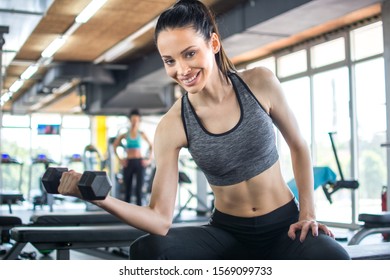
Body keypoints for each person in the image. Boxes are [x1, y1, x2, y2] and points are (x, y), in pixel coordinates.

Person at [58, 0, 350, 260]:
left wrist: (307, 214)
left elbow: (298, 145)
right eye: (169, 61)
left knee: (333, 257)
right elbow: (159, 219)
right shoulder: (173, 124)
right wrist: (100, 198)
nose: (181, 69)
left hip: (284, 226)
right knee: (149, 250)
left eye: (189, 53)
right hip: (227, 234)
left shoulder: (259, 83)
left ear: (213, 43)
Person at [112, 109, 153, 205]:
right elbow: (114, 145)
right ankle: (127, 215)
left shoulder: (141, 134)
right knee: (127, 190)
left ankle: (139, 216)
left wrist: (149, 160)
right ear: (130, 121)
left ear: (139, 121)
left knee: (139, 190)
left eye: (136, 121)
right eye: (133, 120)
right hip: (128, 162)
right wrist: (120, 159)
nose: (134, 123)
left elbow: (152, 145)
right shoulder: (125, 135)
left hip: (139, 162)